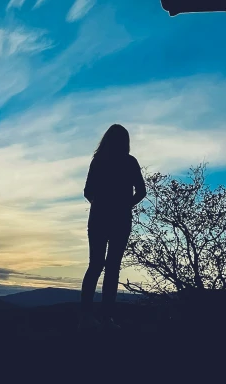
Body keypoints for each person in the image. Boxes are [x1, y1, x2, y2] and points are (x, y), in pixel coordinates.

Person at [78, 124, 146, 331]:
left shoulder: (99, 161)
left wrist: (99, 204)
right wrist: (125, 205)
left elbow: (87, 191)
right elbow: (141, 191)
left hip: (99, 218)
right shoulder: (129, 162)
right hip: (120, 219)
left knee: (96, 265)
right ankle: (105, 317)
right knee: (111, 267)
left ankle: (88, 316)